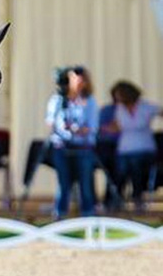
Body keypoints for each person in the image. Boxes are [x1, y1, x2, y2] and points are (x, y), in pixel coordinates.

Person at [45, 66, 98, 218]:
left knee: (85, 184)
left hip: (84, 148)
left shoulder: (89, 101)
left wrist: (75, 129)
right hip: (61, 147)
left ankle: (88, 215)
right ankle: (60, 215)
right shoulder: (58, 100)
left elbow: (92, 127)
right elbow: (50, 122)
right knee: (63, 184)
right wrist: (64, 127)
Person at [112, 81, 163, 212]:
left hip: (144, 148)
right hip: (124, 149)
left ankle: (137, 198)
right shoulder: (119, 108)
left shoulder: (145, 107)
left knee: (136, 168)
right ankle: (117, 200)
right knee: (120, 171)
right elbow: (117, 126)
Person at [96, 82, 122, 210]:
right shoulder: (106, 110)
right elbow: (99, 128)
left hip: (122, 147)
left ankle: (115, 199)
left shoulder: (128, 110)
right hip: (105, 146)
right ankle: (107, 200)